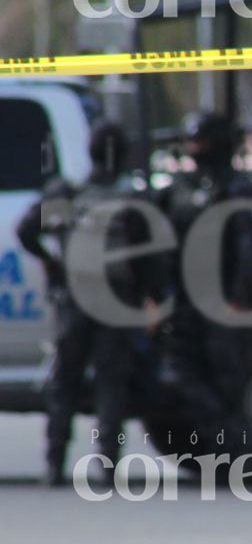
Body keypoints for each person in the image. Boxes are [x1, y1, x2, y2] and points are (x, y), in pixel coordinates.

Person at [18, 123, 158, 486]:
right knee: (111, 384)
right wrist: (150, 299)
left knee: (65, 383)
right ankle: (107, 467)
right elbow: (150, 259)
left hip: (75, 297)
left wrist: (52, 260)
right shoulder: (131, 201)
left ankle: (54, 465)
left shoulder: (68, 193)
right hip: (115, 301)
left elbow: (26, 230)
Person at [155, 112, 252, 441]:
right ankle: (216, 441)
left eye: (201, 142)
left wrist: (239, 298)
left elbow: (248, 247)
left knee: (225, 377)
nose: (194, 149)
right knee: (179, 373)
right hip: (183, 300)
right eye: (191, 142)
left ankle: (234, 449)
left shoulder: (235, 188)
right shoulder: (178, 189)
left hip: (220, 300)